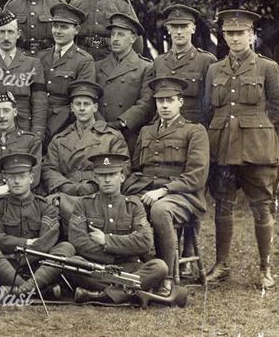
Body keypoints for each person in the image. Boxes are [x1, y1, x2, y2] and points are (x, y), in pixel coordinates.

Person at [203, 9, 279, 289]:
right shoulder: (215, 69)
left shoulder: (267, 68)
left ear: (252, 36)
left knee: (262, 208)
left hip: (257, 151)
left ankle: (265, 269)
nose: (236, 38)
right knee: (222, 207)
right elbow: (208, 109)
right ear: (224, 36)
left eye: (241, 33)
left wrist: (259, 130)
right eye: (230, 33)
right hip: (223, 149)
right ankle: (222, 265)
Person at [126, 77, 208, 295]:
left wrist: (164, 191)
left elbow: (196, 175)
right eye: (160, 101)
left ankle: (167, 278)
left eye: (169, 100)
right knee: (125, 206)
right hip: (147, 191)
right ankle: (138, 268)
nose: (164, 105)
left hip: (183, 196)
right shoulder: (146, 131)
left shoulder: (195, 131)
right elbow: (136, 168)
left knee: (160, 210)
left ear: (180, 102)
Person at [68, 153, 168, 301]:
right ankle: (127, 291)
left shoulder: (134, 206)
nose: (107, 180)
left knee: (159, 267)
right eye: (102, 175)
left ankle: (103, 296)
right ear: (95, 178)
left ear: (122, 177)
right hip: (96, 267)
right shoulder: (83, 204)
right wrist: (119, 252)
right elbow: (78, 241)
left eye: (112, 174)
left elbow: (145, 241)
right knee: (73, 264)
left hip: (127, 267)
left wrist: (106, 241)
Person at [0, 153, 74, 294]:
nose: (16, 181)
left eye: (21, 176)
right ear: (5, 179)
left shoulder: (45, 206)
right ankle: (36, 290)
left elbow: (47, 240)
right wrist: (26, 243)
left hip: (38, 266)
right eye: (12, 177)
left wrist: (21, 253)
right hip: (7, 266)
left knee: (66, 247)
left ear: (31, 178)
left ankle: (21, 290)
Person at [42, 80, 128, 228]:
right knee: (50, 206)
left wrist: (95, 184)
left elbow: (123, 166)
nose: (82, 109)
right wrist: (64, 185)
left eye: (86, 104)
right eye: (78, 104)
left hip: (100, 192)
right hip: (67, 193)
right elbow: (49, 168)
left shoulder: (112, 136)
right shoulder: (59, 139)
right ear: (72, 108)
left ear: (95, 107)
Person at [0, 10, 48, 143]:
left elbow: (39, 104)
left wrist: (37, 136)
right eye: (1, 32)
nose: (6, 37)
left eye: (10, 32)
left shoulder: (33, 64)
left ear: (18, 34)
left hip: (23, 129)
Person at [146, 5, 216, 124]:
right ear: (168, 29)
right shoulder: (159, 62)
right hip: (164, 131)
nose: (179, 31)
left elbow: (211, 106)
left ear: (193, 29)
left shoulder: (206, 61)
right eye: (174, 26)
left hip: (194, 130)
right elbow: (151, 103)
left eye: (184, 26)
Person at [95, 13, 153, 157]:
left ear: (133, 38)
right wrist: (100, 124)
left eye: (121, 34)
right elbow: (91, 97)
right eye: (113, 34)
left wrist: (121, 123)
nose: (115, 39)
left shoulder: (145, 67)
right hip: (99, 131)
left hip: (128, 133)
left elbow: (145, 103)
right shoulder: (97, 65)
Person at [37, 3, 95, 140]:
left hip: (65, 124)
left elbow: (81, 99)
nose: (58, 31)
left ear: (77, 30)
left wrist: (54, 127)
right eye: (55, 26)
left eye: (64, 27)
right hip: (38, 118)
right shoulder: (41, 56)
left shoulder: (84, 60)